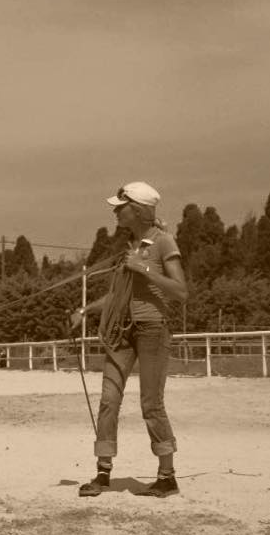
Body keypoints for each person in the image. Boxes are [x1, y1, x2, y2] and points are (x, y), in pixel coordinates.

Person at [69, 181, 188, 498]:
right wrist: (84, 310)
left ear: (137, 209)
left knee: (151, 403)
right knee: (108, 400)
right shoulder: (129, 248)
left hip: (152, 329)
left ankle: (167, 477)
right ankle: (102, 473)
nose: (115, 212)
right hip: (121, 330)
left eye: (120, 208)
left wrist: (146, 268)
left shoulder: (163, 242)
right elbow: (117, 296)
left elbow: (180, 291)